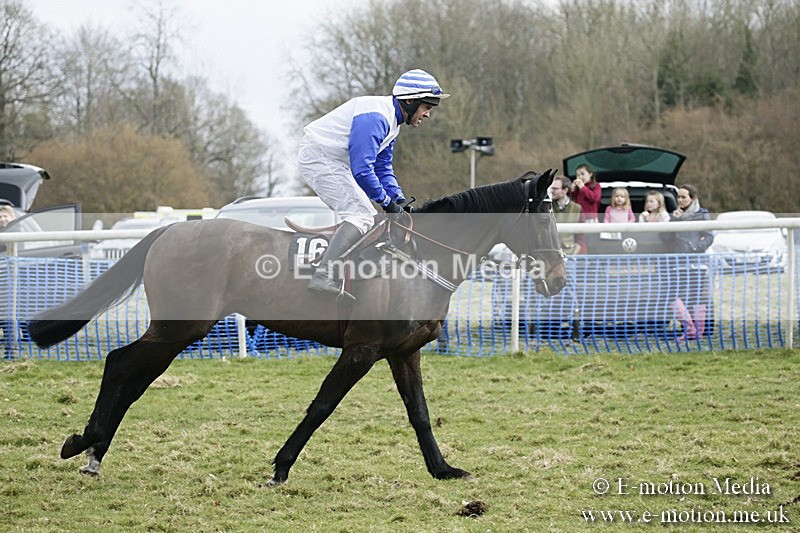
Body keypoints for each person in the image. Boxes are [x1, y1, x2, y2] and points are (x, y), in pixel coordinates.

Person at [297, 69, 449, 302]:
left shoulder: (392, 121)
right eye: (426, 107)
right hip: (320, 158)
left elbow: (382, 167)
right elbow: (362, 169)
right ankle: (322, 275)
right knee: (362, 216)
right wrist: (386, 203)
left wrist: (398, 198)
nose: (428, 114)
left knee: (367, 215)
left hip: (334, 160)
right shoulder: (376, 118)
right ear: (409, 101)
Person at [669, 184, 713, 341]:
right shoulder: (675, 215)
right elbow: (665, 237)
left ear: (692, 198)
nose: (680, 200)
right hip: (678, 262)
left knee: (695, 297)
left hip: (697, 262)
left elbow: (709, 236)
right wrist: (674, 219)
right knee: (673, 297)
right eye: (678, 197)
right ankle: (690, 330)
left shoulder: (702, 214)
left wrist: (695, 247)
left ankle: (698, 332)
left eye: (683, 197)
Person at [549, 175, 585, 254]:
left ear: (565, 190)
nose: (552, 191)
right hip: (550, 255)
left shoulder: (577, 208)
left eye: (555, 189)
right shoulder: (547, 207)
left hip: (570, 254)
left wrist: (573, 257)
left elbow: (580, 237)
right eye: (552, 188)